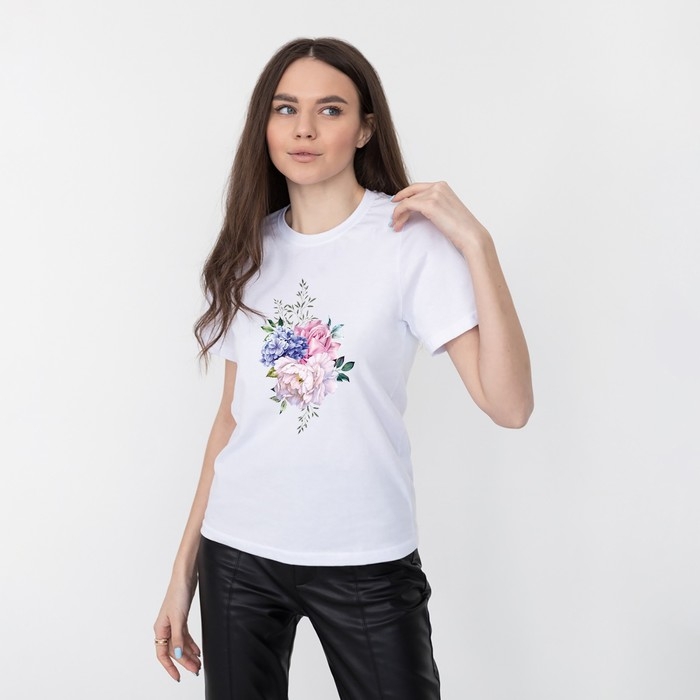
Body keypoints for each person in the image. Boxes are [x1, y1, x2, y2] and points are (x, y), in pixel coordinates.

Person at [154, 36, 533, 700]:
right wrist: (181, 574)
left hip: (366, 559)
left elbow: (510, 406)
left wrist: (478, 244)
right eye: (285, 109)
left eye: (329, 110)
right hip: (237, 554)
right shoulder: (248, 249)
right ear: (265, 125)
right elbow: (229, 423)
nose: (303, 128)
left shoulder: (409, 242)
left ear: (364, 129)